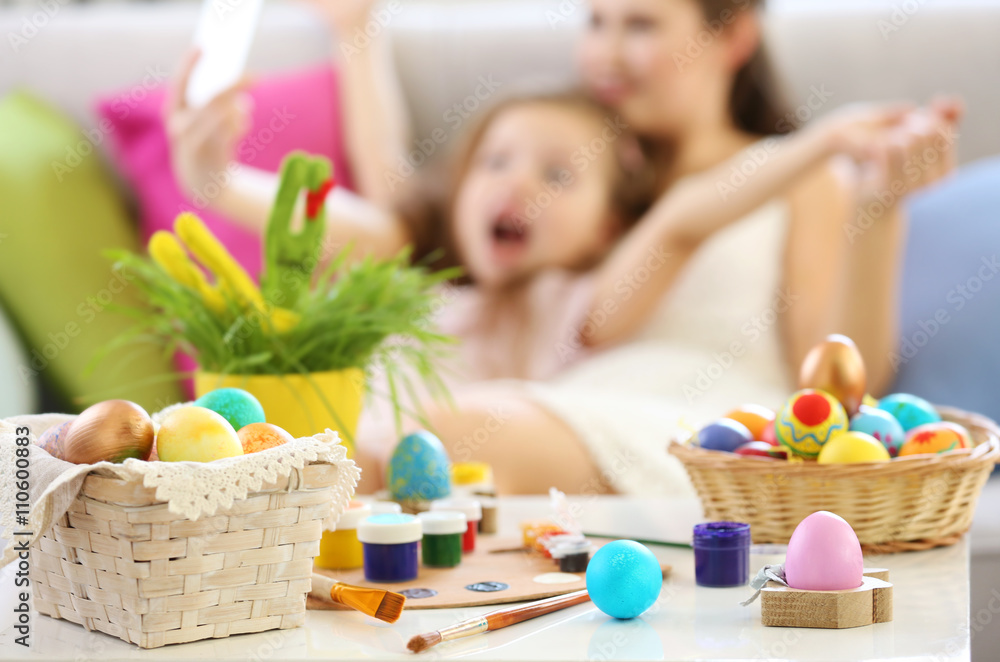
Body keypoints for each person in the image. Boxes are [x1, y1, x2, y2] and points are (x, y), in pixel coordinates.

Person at [166, 0, 959, 495]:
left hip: (690, 420)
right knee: (411, 435)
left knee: (433, 439)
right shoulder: (585, 177)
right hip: (555, 402)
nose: (606, 52)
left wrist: (878, 204)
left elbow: (845, 377)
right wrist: (222, 175)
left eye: (641, 24)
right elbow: (402, 215)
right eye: (596, 21)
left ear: (734, 34)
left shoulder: (797, 175)